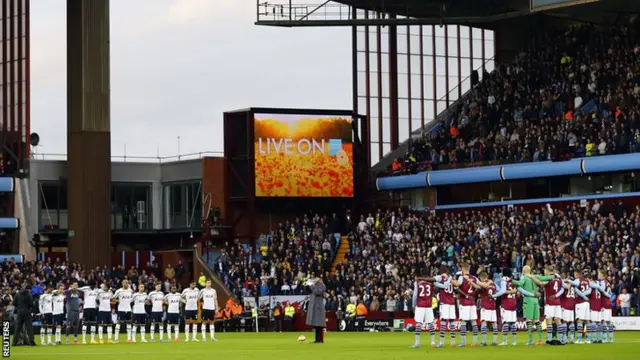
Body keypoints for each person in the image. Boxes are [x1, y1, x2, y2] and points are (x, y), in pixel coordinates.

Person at [511, 265, 556, 345]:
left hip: (528, 300)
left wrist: (512, 281)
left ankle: (531, 340)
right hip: (536, 300)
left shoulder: (524, 278)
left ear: (523, 271)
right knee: (537, 321)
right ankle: (540, 340)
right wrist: (554, 276)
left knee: (529, 321)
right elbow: (545, 278)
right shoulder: (535, 276)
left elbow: (519, 283)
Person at [451, 263, 479, 347]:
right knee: (473, 322)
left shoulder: (461, 277)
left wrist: (451, 280)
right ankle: (474, 341)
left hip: (464, 303)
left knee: (463, 322)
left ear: (463, 269)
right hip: (472, 302)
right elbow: (479, 287)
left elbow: (457, 285)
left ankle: (463, 342)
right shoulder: (474, 278)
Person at [305, 276, 326, 343]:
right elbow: (308, 291)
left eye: (315, 278)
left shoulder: (322, 285)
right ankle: (317, 339)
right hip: (315, 307)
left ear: (319, 278)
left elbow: (317, 292)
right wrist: (307, 285)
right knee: (316, 324)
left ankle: (320, 339)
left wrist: (311, 285)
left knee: (319, 324)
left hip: (318, 307)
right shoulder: (314, 285)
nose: (314, 279)